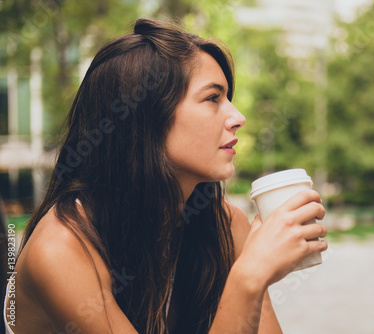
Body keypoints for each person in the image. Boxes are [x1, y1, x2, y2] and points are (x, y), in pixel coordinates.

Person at [3, 18, 327, 333]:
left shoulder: (227, 223)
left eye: (228, 97)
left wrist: (261, 269)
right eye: (212, 98)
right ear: (146, 119)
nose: (237, 117)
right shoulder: (64, 246)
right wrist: (250, 276)